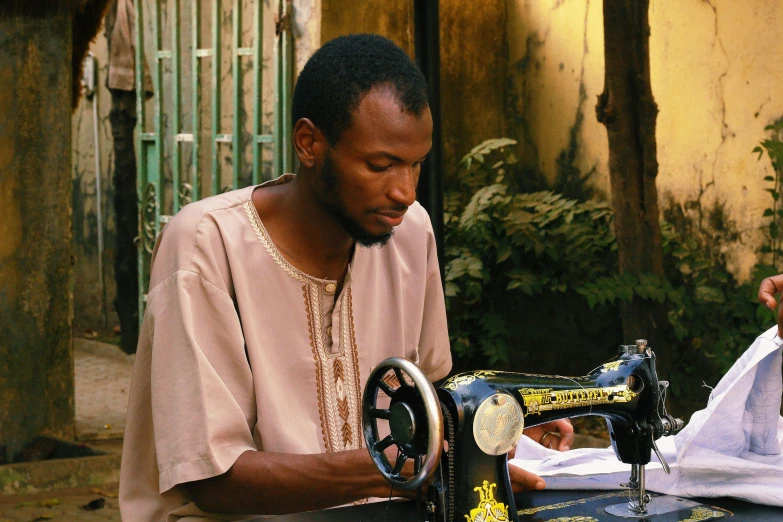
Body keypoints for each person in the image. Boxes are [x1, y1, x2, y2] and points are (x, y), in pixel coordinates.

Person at [119, 34, 573, 520]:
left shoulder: (411, 231)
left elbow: (428, 400)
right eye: (381, 165)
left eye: (417, 165)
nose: (404, 191)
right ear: (310, 143)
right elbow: (214, 477)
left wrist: (483, 431)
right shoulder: (206, 246)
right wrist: (412, 467)